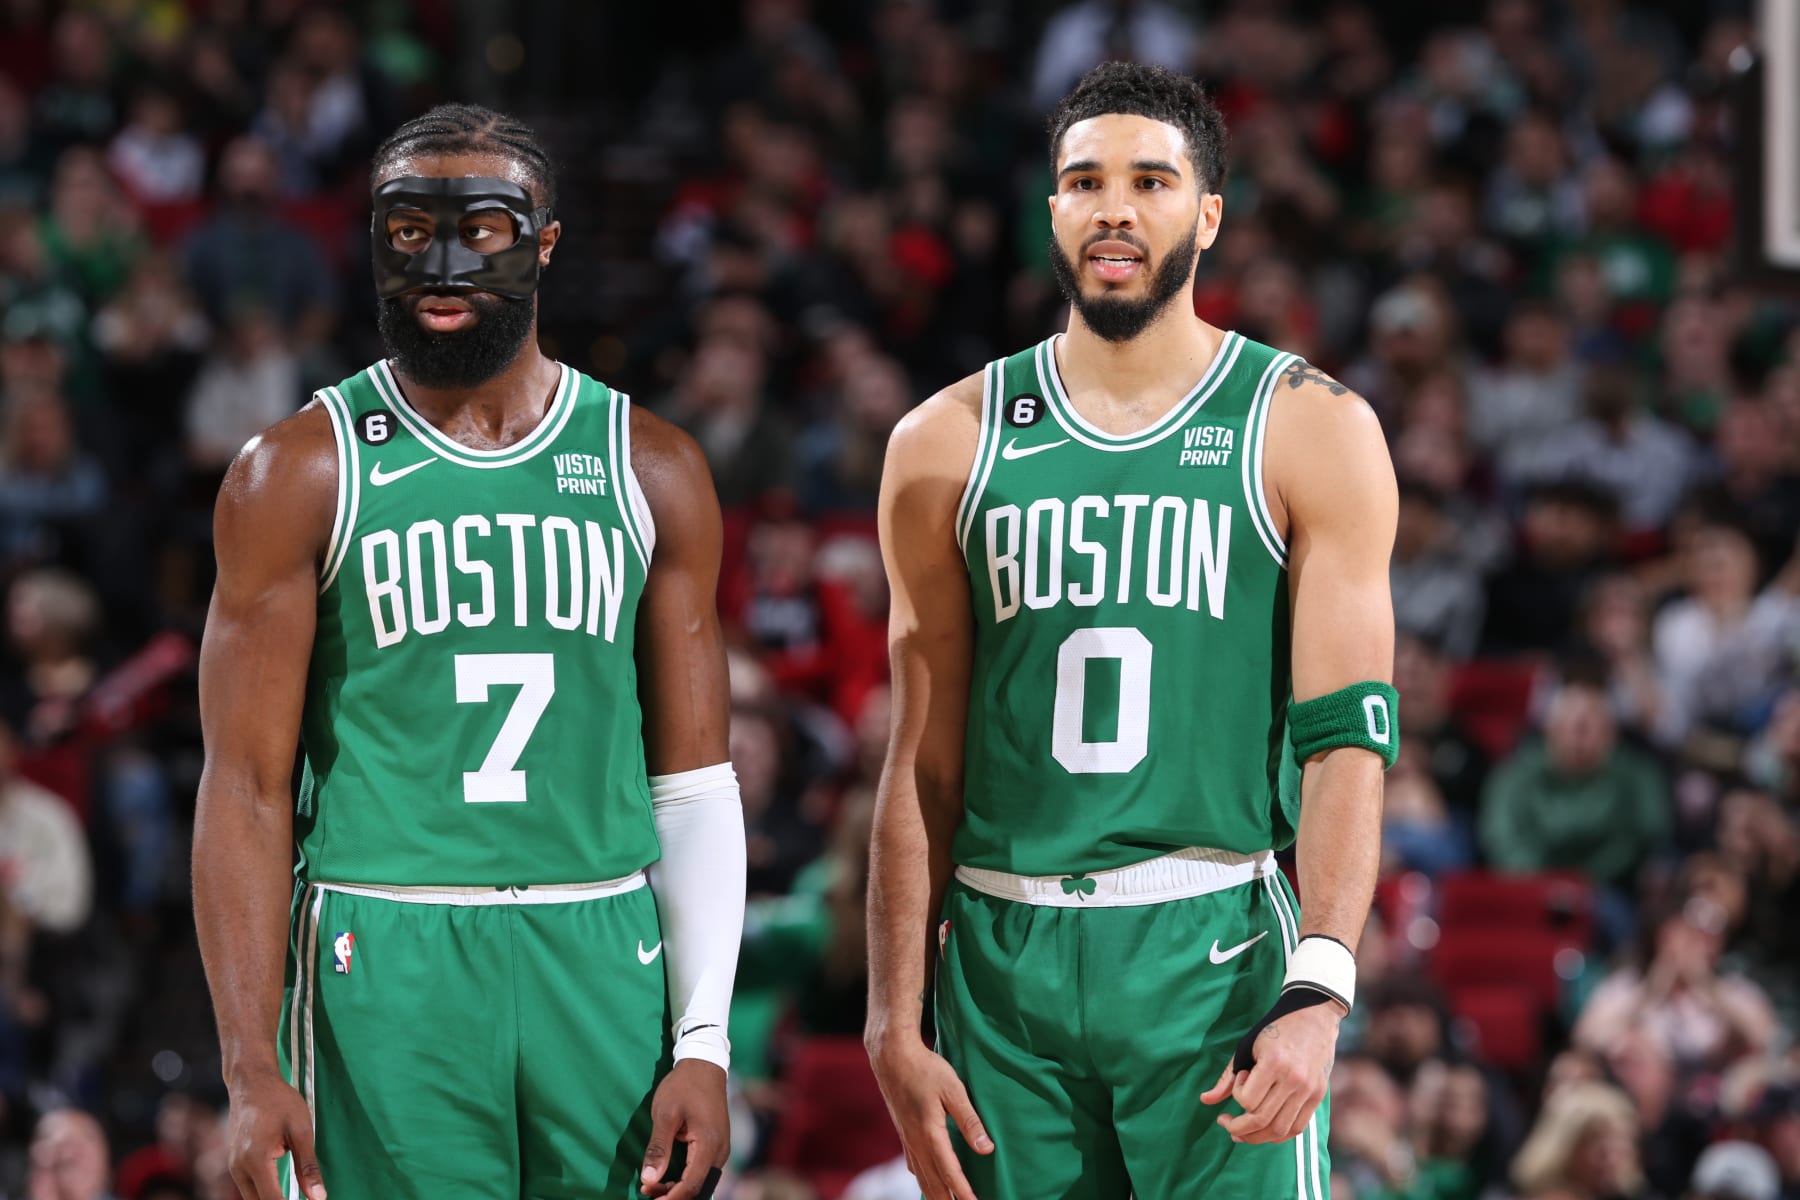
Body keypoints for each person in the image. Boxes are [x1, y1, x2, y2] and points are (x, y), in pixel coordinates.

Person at [192, 105, 746, 1200]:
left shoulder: (653, 465)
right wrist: (250, 1063)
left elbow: (693, 784)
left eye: (481, 228)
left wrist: (707, 1038)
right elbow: (247, 787)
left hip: (600, 944)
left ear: (544, 243)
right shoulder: (296, 469)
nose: (440, 263)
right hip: (384, 944)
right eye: (407, 231)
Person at [866, 63, 1397, 1199]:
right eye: (1085, 181)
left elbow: (1346, 740)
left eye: (1151, 180)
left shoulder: (1310, 427)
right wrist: (890, 1020)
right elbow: (921, 761)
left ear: (1207, 215)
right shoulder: (942, 442)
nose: (1115, 206)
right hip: (1000, 960)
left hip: (1209, 947)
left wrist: (1322, 984)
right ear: (1051, 211)